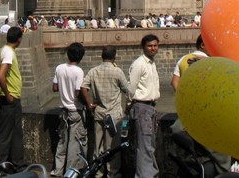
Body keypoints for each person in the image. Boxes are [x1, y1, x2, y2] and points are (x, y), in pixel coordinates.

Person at [81, 46, 131, 178]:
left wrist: (89, 104)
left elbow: (83, 87)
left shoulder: (93, 71)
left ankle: (98, 172)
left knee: (98, 146)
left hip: (98, 114)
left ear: (101, 56)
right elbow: (128, 90)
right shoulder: (117, 72)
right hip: (114, 115)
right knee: (113, 146)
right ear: (114, 56)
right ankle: (112, 173)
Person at [51, 42, 88, 176]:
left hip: (63, 110)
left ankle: (57, 170)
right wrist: (88, 103)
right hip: (75, 111)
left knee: (62, 141)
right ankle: (70, 172)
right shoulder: (78, 71)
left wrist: (64, 88)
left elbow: (54, 88)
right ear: (81, 56)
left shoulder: (60, 68)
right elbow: (78, 93)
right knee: (74, 143)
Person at [128, 34, 160, 178]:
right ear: (143, 47)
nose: (153, 48)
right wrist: (129, 106)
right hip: (142, 107)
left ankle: (149, 174)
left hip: (150, 107)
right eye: (150, 46)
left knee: (149, 144)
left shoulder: (151, 63)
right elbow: (131, 88)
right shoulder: (139, 64)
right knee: (145, 145)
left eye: (155, 45)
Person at [0, 26, 25, 168]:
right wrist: (8, 94)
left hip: (12, 97)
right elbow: (0, 76)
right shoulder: (8, 53)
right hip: (10, 98)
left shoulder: (3, 50)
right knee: (5, 134)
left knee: (16, 131)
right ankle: (0, 164)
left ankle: (16, 162)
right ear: (19, 40)